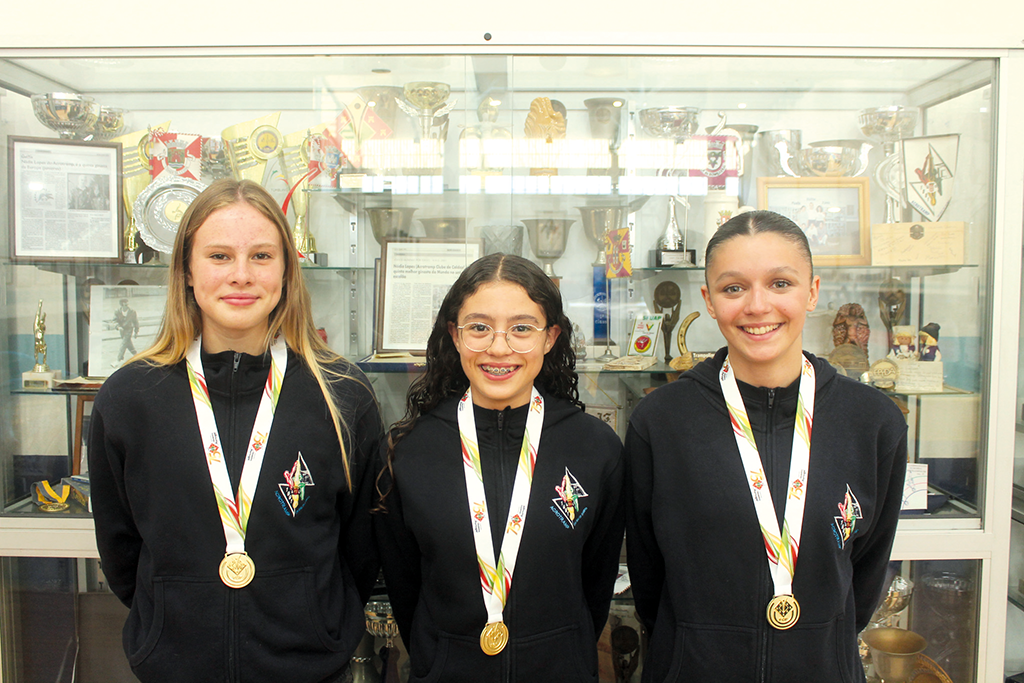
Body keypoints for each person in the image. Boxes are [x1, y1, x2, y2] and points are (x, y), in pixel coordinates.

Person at [88, 178, 382, 683]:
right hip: (175, 665)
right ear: (185, 270)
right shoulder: (129, 397)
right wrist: (170, 619)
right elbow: (121, 547)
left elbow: (360, 546)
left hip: (309, 667)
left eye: (262, 256)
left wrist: (314, 616)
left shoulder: (343, 395)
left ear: (287, 269)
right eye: (220, 256)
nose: (241, 276)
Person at [625, 210, 907, 682]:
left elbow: (866, 568)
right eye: (733, 288)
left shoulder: (872, 422)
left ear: (812, 291)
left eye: (780, 283)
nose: (757, 306)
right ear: (709, 300)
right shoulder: (661, 421)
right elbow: (650, 576)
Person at [375, 253, 625, 683]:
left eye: (522, 328)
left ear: (551, 338)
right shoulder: (410, 451)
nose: (499, 348)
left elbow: (595, 583)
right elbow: (405, 587)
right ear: (454, 335)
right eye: (479, 327)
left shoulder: (595, 447)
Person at [113, 297, 139, 364]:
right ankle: (137, 355)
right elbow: (114, 321)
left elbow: (136, 322)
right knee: (128, 344)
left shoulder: (132, 312)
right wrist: (118, 327)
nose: (127, 306)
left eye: (128, 304)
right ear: (122, 305)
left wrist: (136, 332)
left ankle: (118, 360)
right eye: (125, 305)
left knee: (123, 344)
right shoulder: (117, 311)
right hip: (121, 330)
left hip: (129, 329)